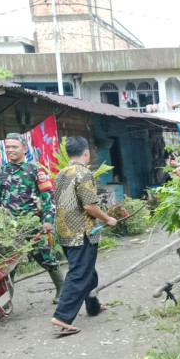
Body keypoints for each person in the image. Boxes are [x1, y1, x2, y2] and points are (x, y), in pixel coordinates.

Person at [0, 133, 64, 313]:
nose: (11, 150)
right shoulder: (1, 171)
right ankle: (4, 301)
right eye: (8, 148)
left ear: (24, 148)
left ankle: (62, 290)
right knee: (6, 265)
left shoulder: (35, 170)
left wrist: (48, 220)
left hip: (32, 225)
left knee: (46, 258)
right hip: (9, 229)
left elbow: (48, 197)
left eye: (15, 147)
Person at [50, 136, 117, 336]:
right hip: (81, 232)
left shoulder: (61, 174)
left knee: (87, 269)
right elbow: (89, 206)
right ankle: (62, 317)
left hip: (64, 231)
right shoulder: (83, 173)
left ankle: (93, 305)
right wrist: (108, 219)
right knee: (79, 273)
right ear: (86, 152)